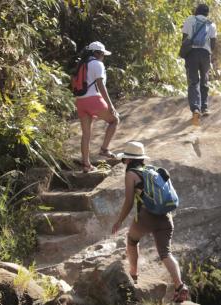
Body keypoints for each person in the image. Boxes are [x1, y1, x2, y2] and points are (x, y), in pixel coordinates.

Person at [111, 141, 189, 303]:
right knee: (165, 253)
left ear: (128, 159)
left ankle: (133, 275)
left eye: (124, 159)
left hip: (146, 217)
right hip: (166, 216)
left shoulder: (131, 174)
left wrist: (119, 220)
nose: (123, 161)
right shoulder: (152, 170)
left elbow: (129, 201)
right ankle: (180, 286)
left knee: (132, 240)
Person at [75, 41, 119, 173]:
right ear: (98, 53)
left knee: (86, 135)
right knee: (115, 120)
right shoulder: (97, 64)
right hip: (94, 99)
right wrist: (110, 105)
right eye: (103, 54)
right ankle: (104, 149)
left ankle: (86, 165)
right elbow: (100, 85)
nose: (103, 57)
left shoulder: (82, 64)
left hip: (80, 101)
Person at [182, 4, 217, 125]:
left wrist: (186, 52)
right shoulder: (211, 24)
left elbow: (185, 38)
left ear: (196, 11)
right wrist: (208, 53)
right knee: (204, 80)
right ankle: (204, 107)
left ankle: (195, 109)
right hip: (205, 54)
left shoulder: (190, 20)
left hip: (192, 53)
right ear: (207, 13)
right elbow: (213, 43)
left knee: (193, 81)